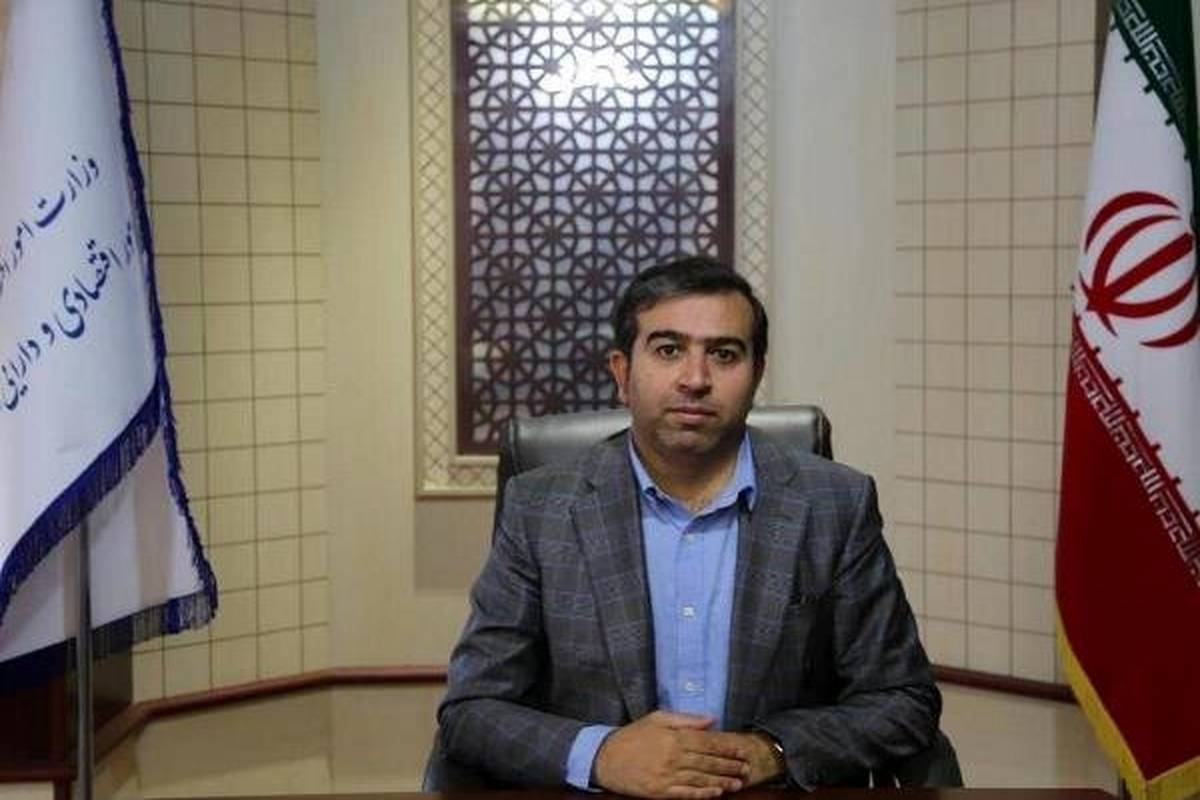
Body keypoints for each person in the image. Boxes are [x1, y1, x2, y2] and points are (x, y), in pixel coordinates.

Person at [435, 256, 940, 797]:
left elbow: (901, 700)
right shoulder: (541, 509)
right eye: (668, 350)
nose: (695, 379)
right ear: (622, 373)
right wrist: (601, 754)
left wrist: (771, 751)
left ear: (756, 375)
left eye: (724, 354)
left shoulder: (834, 504)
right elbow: (473, 708)